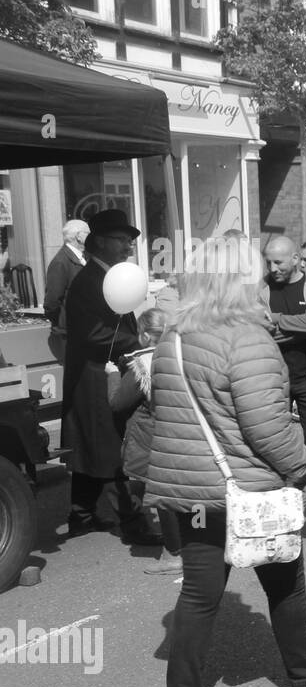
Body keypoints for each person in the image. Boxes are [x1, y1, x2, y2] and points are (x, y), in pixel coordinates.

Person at [146, 237, 306, 687]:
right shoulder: (248, 339)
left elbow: (168, 418)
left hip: (192, 489)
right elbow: (268, 428)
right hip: (250, 488)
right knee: (285, 583)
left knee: (199, 594)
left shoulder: (173, 339)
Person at [62, 209, 158, 544]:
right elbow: (92, 335)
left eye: (130, 241)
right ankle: (133, 524)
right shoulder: (89, 281)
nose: (129, 248)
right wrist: (137, 344)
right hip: (94, 376)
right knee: (111, 448)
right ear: (100, 242)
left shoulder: (108, 277)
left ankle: (81, 515)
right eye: (122, 240)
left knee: (92, 446)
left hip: (102, 370)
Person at [107, 308, 182, 575]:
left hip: (153, 436)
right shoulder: (181, 354)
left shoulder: (142, 364)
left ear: (146, 336)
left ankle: (174, 554)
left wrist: (112, 375)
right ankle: (193, 545)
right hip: (181, 432)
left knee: (162, 497)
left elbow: (117, 403)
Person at [262, 235, 306, 528]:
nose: (272, 267)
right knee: (271, 445)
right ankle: (279, 510)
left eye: (278, 262)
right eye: (268, 262)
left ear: (294, 260)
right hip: (273, 377)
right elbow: (256, 324)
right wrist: (298, 323)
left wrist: (276, 320)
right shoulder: (261, 287)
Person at [42, 218, 90, 364]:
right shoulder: (60, 262)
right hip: (68, 333)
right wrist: (61, 322)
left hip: (84, 330)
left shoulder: (83, 257)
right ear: (79, 236)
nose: (91, 236)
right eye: (88, 233)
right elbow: (52, 301)